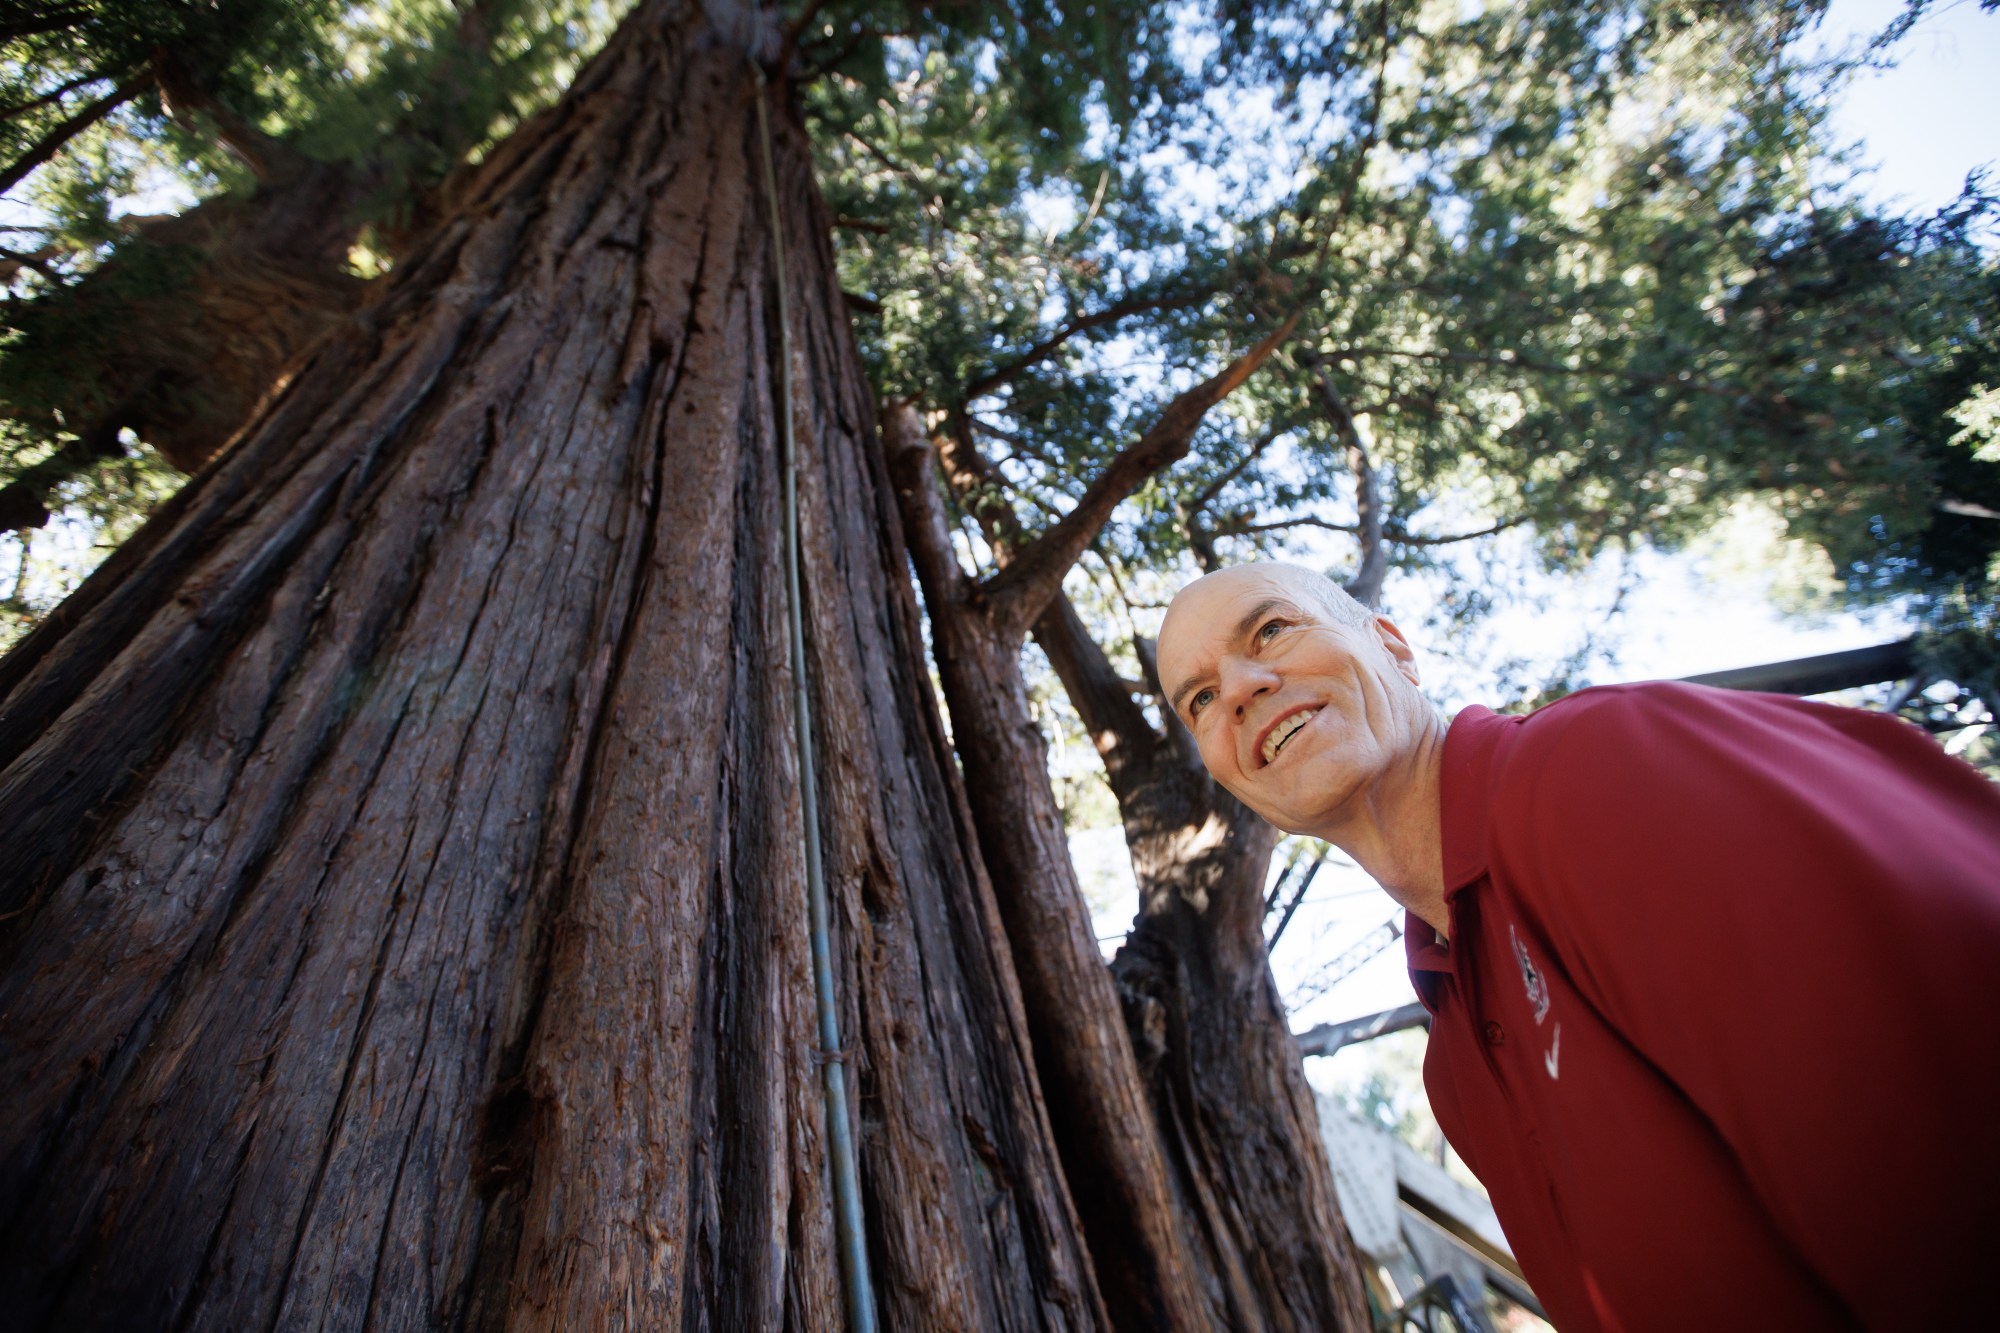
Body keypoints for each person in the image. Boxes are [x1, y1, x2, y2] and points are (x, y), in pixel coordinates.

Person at [1154, 561, 2000, 1333]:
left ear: (1393, 647)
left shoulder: (1601, 768)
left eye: (1270, 631)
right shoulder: (1453, 1071)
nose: (1238, 688)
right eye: (1197, 699)